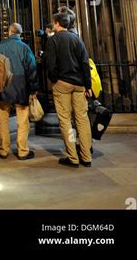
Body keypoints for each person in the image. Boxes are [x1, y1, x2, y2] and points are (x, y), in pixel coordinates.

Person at [46, 11, 93, 168]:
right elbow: (85, 63)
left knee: (65, 121)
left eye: (54, 22)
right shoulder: (77, 39)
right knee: (82, 119)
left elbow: (50, 64)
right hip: (79, 84)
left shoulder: (53, 40)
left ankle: (73, 157)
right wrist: (88, 86)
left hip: (63, 84)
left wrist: (54, 79)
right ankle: (86, 157)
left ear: (58, 23)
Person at [0, 22, 39, 161]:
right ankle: (22, 150)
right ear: (19, 33)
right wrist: (33, 88)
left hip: (4, 85)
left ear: (9, 32)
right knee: (23, 120)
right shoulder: (25, 48)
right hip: (21, 86)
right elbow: (32, 69)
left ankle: (3, 149)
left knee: (3, 119)